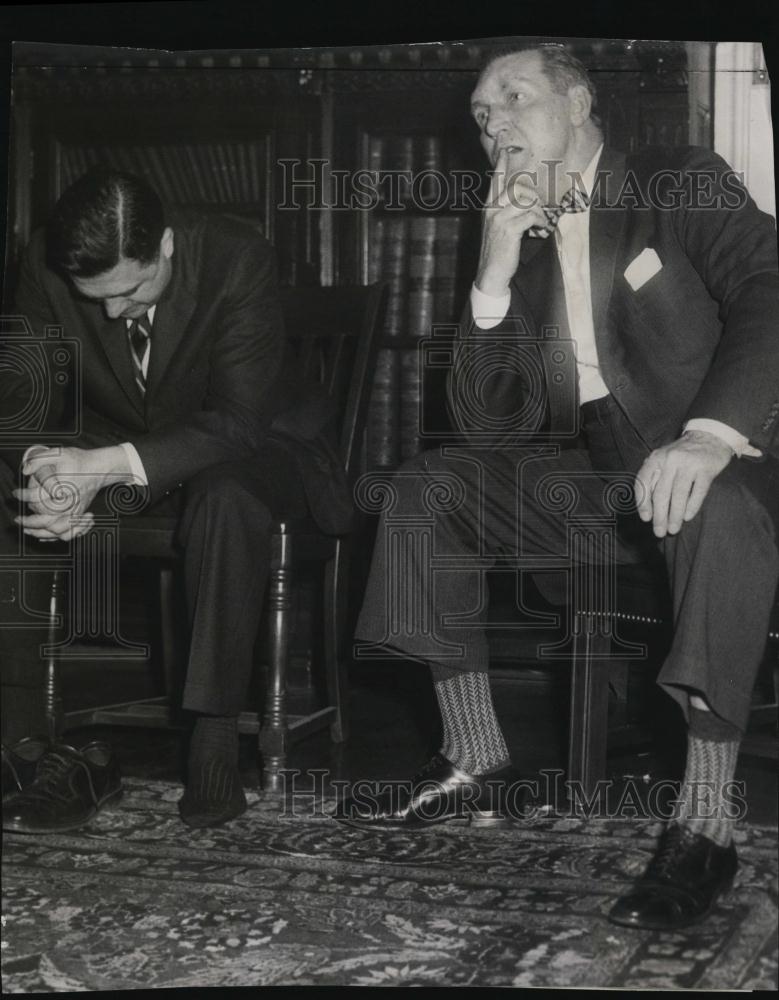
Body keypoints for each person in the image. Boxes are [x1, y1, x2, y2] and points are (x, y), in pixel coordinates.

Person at [337, 44, 779, 931]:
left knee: (714, 503)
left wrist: (707, 435)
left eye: (513, 97)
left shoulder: (676, 178)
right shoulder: (517, 236)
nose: (493, 123)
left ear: (577, 104)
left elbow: (769, 286)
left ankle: (704, 823)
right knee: (427, 489)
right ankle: (474, 755)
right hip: (599, 482)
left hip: (728, 461)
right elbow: (481, 430)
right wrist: (492, 271)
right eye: (480, 115)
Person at [0, 167, 351, 830]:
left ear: (165, 244)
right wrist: (49, 473)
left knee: (226, 495)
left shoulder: (236, 256)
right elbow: (20, 398)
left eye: (130, 290)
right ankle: (19, 741)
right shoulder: (46, 258)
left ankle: (212, 745)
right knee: (9, 484)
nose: (113, 312)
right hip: (130, 448)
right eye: (94, 297)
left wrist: (100, 467)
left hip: (262, 448)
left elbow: (238, 423)